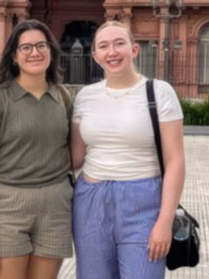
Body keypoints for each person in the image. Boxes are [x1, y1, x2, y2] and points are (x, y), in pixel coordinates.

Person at [70, 21, 185, 279]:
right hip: (91, 200)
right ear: (95, 55)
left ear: (134, 50)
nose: (112, 52)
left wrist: (165, 221)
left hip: (143, 201)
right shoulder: (85, 97)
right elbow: (75, 157)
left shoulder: (159, 92)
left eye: (119, 43)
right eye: (104, 46)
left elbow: (175, 160)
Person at [0, 20, 73, 278]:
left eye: (41, 45)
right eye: (26, 47)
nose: (34, 52)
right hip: (9, 206)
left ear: (51, 51)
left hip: (55, 206)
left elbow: (74, 154)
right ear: (15, 57)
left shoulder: (62, 97)